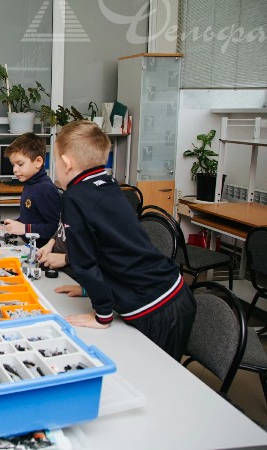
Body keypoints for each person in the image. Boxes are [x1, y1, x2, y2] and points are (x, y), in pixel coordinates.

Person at [54, 120, 195, 360]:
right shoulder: (107, 183)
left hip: (154, 305)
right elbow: (111, 246)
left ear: (66, 163)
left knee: (156, 375)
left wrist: (102, 315)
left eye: (55, 160)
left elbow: (84, 261)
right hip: (174, 292)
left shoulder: (75, 197)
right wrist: (88, 289)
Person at [0, 132, 60, 248]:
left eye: (20, 164)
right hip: (28, 245)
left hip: (40, 251)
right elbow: (29, 218)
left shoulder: (45, 189)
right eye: (13, 165)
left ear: (38, 162)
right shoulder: (30, 183)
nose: (15, 170)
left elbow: (55, 228)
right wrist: (8, 227)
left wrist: (25, 228)